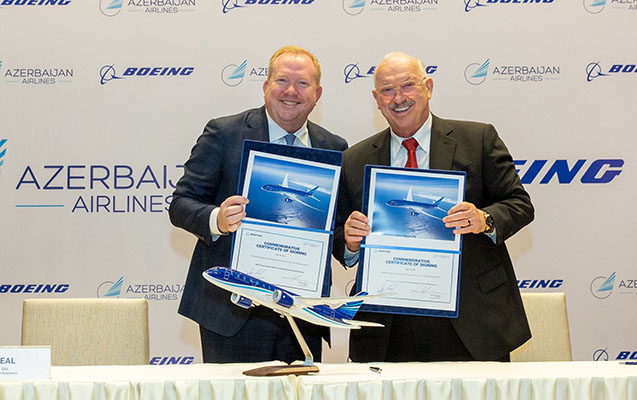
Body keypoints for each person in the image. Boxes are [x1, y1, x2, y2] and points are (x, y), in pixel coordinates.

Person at [333, 52, 534, 362]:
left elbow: (520, 203)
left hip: (470, 320)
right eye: (387, 90)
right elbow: (338, 235)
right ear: (376, 99)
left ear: (428, 87)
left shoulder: (477, 139)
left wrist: (484, 218)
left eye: (408, 85)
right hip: (388, 327)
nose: (398, 98)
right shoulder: (354, 160)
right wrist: (349, 242)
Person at [169, 45, 348, 363]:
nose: (291, 91)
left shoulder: (333, 147)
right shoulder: (224, 133)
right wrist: (218, 219)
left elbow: (333, 227)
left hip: (301, 314)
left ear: (317, 94)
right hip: (233, 314)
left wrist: (350, 244)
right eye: (282, 81)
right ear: (266, 86)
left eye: (302, 83)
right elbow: (181, 204)